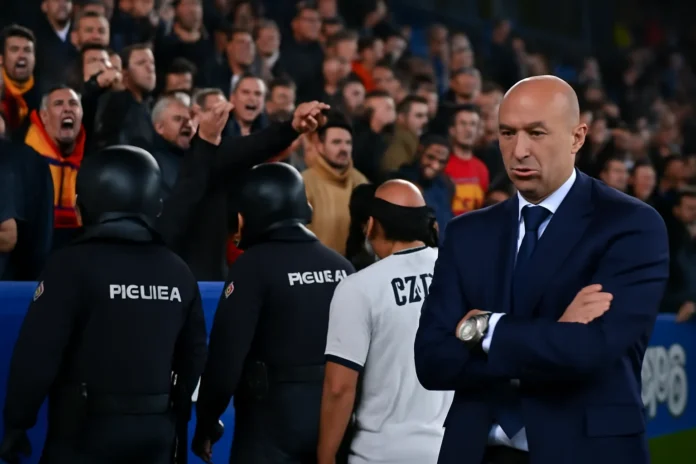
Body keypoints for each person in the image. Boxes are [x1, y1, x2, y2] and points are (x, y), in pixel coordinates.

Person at [414, 75, 670, 464]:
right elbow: (431, 360)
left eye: (536, 133)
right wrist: (554, 332)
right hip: (476, 452)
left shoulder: (630, 224)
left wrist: (483, 328)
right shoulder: (466, 232)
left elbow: (590, 350)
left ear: (577, 137)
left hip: (586, 453)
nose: (519, 151)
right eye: (507, 133)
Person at [0, 146, 208, 464]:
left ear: (80, 207)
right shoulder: (178, 272)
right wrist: (177, 420)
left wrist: (17, 422)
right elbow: (194, 357)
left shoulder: (69, 266)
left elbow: (37, 355)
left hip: (83, 436)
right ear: (156, 205)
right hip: (156, 435)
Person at [192, 163, 356, 464]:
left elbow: (225, 360)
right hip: (336, 423)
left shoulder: (252, 267)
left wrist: (206, 423)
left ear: (248, 215)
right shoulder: (342, 267)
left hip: (271, 424)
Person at [318, 179, 447, 464]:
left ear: (372, 224)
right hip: (447, 449)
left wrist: (325, 458)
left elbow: (339, 388)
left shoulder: (359, 287)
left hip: (378, 454)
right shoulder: (457, 273)